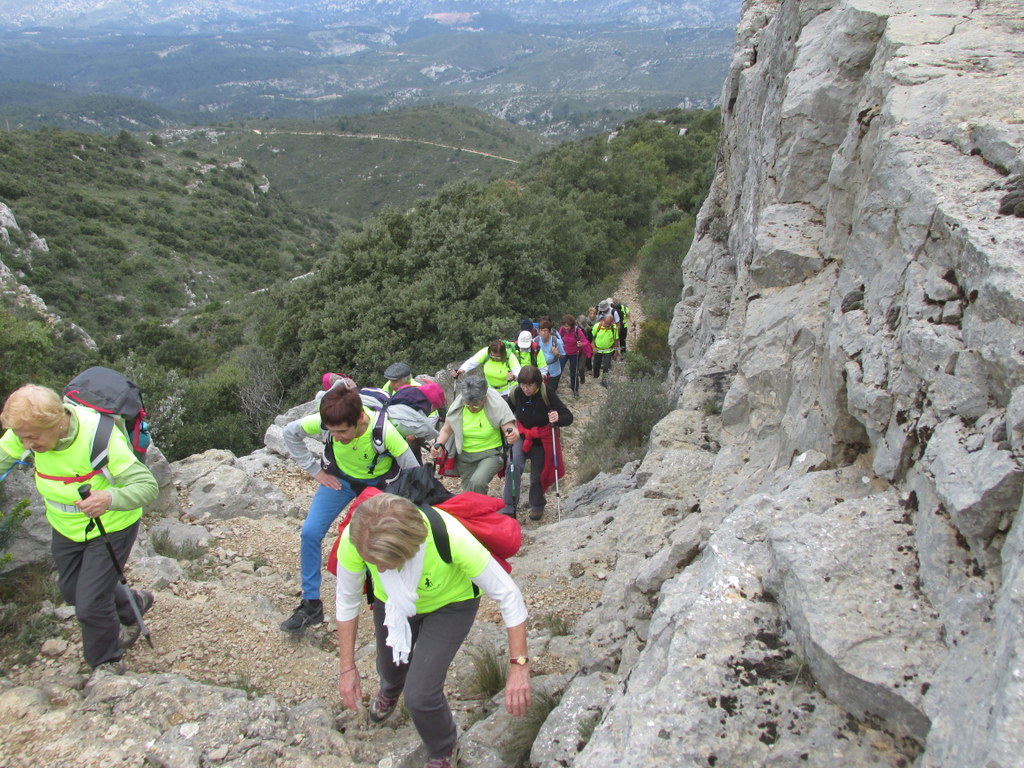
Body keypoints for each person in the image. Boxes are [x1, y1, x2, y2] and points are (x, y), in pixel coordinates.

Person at [336, 492, 532, 768]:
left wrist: (519, 666)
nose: (378, 568)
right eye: (373, 561)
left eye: (386, 563)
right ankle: (391, 689)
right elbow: (347, 600)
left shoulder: (450, 536)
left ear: (410, 549)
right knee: (390, 668)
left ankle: (443, 747)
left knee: (420, 695)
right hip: (392, 603)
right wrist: (347, 668)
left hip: (451, 604)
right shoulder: (356, 540)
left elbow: (508, 595)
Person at [0, 384, 159, 674]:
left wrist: (110, 498)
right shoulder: (26, 431)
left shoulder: (99, 438)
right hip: (66, 527)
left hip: (111, 526)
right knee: (73, 591)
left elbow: (147, 487)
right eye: (22, 438)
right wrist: (25, 440)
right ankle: (133, 604)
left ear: (58, 422)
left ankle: (106, 664)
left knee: (90, 604)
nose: (25, 445)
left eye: (33, 438)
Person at [281, 386, 419, 631]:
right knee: (310, 532)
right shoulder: (327, 424)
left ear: (359, 420)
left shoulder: (383, 431)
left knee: (378, 541)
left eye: (343, 431)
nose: (338, 437)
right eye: (332, 432)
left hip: (378, 486)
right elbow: (290, 433)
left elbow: (413, 470)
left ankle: (390, 598)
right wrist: (315, 471)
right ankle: (311, 603)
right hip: (339, 480)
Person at [502, 366, 573, 521]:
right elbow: (505, 414)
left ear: (537, 384)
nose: (526, 389)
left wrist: (557, 418)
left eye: (530, 385)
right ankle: (508, 507)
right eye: (523, 384)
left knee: (537, 475)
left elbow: (568, 416)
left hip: (541, 438)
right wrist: (509, 429)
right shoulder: (516, 393)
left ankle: (537, 505)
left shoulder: (546, 393)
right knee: (513, 466)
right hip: (521, 434)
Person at [430, 374, 519, 495]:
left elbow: (510, 427)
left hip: (491, 454)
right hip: (465, 456)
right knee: (469, 493)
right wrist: (439, 444)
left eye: (476, 405)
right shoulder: (458, 406)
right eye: (468, 404)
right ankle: (480, 511)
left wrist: (513, 434)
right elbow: (446, 430)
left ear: (485, 397)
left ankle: (482, 510)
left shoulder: (497, 404)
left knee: (477, 482)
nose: (471, 408)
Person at [453, 339, 521, 396]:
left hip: (508, 391)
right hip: (491, 390)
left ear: (503, 354)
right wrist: (461, 369)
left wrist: (514, 377)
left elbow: (519, 373)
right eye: (492, 356)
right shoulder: (486, 352)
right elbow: (472, 362)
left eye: (497, 357)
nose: (494, 358)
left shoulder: (510, 357)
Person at [559, 314, 587, 398]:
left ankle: (575, 389)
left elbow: (585, 341)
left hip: (575, 354)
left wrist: (581, 343)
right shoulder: (562, 329)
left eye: (568, 326)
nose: (566, 328)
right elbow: (558, 338)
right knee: (559, 369)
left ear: (572, 325)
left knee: (573, 371)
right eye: (565, 325)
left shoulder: (577, 330)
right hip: (564, 353)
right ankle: (554, 387)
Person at [535, 320, 565, 392]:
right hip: (540, 371)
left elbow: (563, 355)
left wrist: (557, 354)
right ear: (539, 331)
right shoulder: (535, 341)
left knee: (551, 391)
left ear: (550, 331)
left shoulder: (556, 341)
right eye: (541, 330)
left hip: (554, 372)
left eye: (545, 331)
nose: (543, 333)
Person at [591, 312, 619, 386]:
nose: (607, 325)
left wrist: (616, 352)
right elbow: (591, 338)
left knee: (606, 366)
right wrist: (593, 347)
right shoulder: (597, 326)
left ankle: (604, 381)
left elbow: (616, 339)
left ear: (612, 322)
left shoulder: (614, 327)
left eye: (609, 324)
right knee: (596, 365)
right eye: (606, 323)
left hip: (608, 350)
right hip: (598, 349)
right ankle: (596, 376)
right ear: (603, 320)